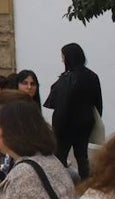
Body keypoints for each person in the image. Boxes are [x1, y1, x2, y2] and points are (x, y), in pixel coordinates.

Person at [44, 42, 103, 180]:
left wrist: (56, 129)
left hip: (66, 125)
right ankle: (87, 185)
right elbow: (98, 102)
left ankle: (61, 185)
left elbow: (61, 106)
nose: (61, 59)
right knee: (82, 156)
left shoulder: (68, 79)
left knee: (60, 157)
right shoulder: (92, 76)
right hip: (85, 123)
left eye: (63, 56)